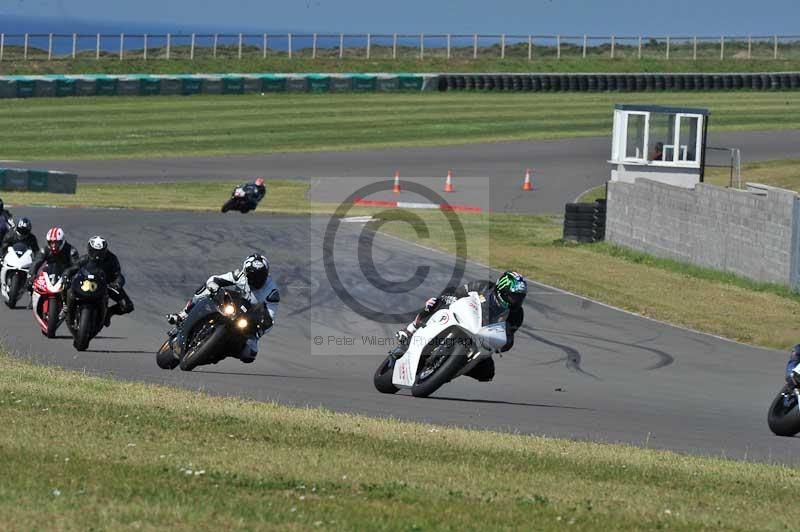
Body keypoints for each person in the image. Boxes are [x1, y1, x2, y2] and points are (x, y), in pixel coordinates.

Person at [390, 271, 528, 382]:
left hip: (480, 340)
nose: (515, 301)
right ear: (501, 290)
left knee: (487, 373)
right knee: (434, 303)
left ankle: (449, 369)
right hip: (461, 318)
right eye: (513, 296)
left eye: (519, 298)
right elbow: (457, 293)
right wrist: (449, 299)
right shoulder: (483, 287)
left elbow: (509, 337)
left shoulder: (516, 314)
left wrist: (502, 344)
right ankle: (410, 330)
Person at [167, 253, 279, 363]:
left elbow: (270, 317)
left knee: (249, 354)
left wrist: (259, 330)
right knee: (205, 290)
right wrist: (213, 285)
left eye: (261, 276)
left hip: (247, 318)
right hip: (231, 305)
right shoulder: (239, 275)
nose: (257, 279)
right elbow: (215, 279)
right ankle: (184, 314)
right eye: (253, 275)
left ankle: (218, 353)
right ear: (246, 273)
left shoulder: (272, 292)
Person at [62, 236, 134, 326]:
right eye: (94, 251)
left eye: (100, 252)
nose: (97, 254)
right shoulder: (85, 259)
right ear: (89, 250)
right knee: (70, 291)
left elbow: (118, 275)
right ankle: (69, 310)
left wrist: (117, 284)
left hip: (106, 285)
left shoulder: (112, 259)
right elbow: (72, 269)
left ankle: (108, 313)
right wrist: (66, 276)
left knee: (127, 306)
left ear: (105, 250)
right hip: (88, 284)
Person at [25, 227, 80, 308]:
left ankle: (69, 305)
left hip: (65, 274)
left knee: (74, 289)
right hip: (50, 272)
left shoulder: (71, 250)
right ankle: (33, 298)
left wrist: (70, 274)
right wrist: (31, 274)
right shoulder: (45, 250)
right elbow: (36, 263)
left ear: (62, 241)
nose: (53, 245)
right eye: (51, 243)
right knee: (30, 282)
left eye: (56, 243)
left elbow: (76, 266)